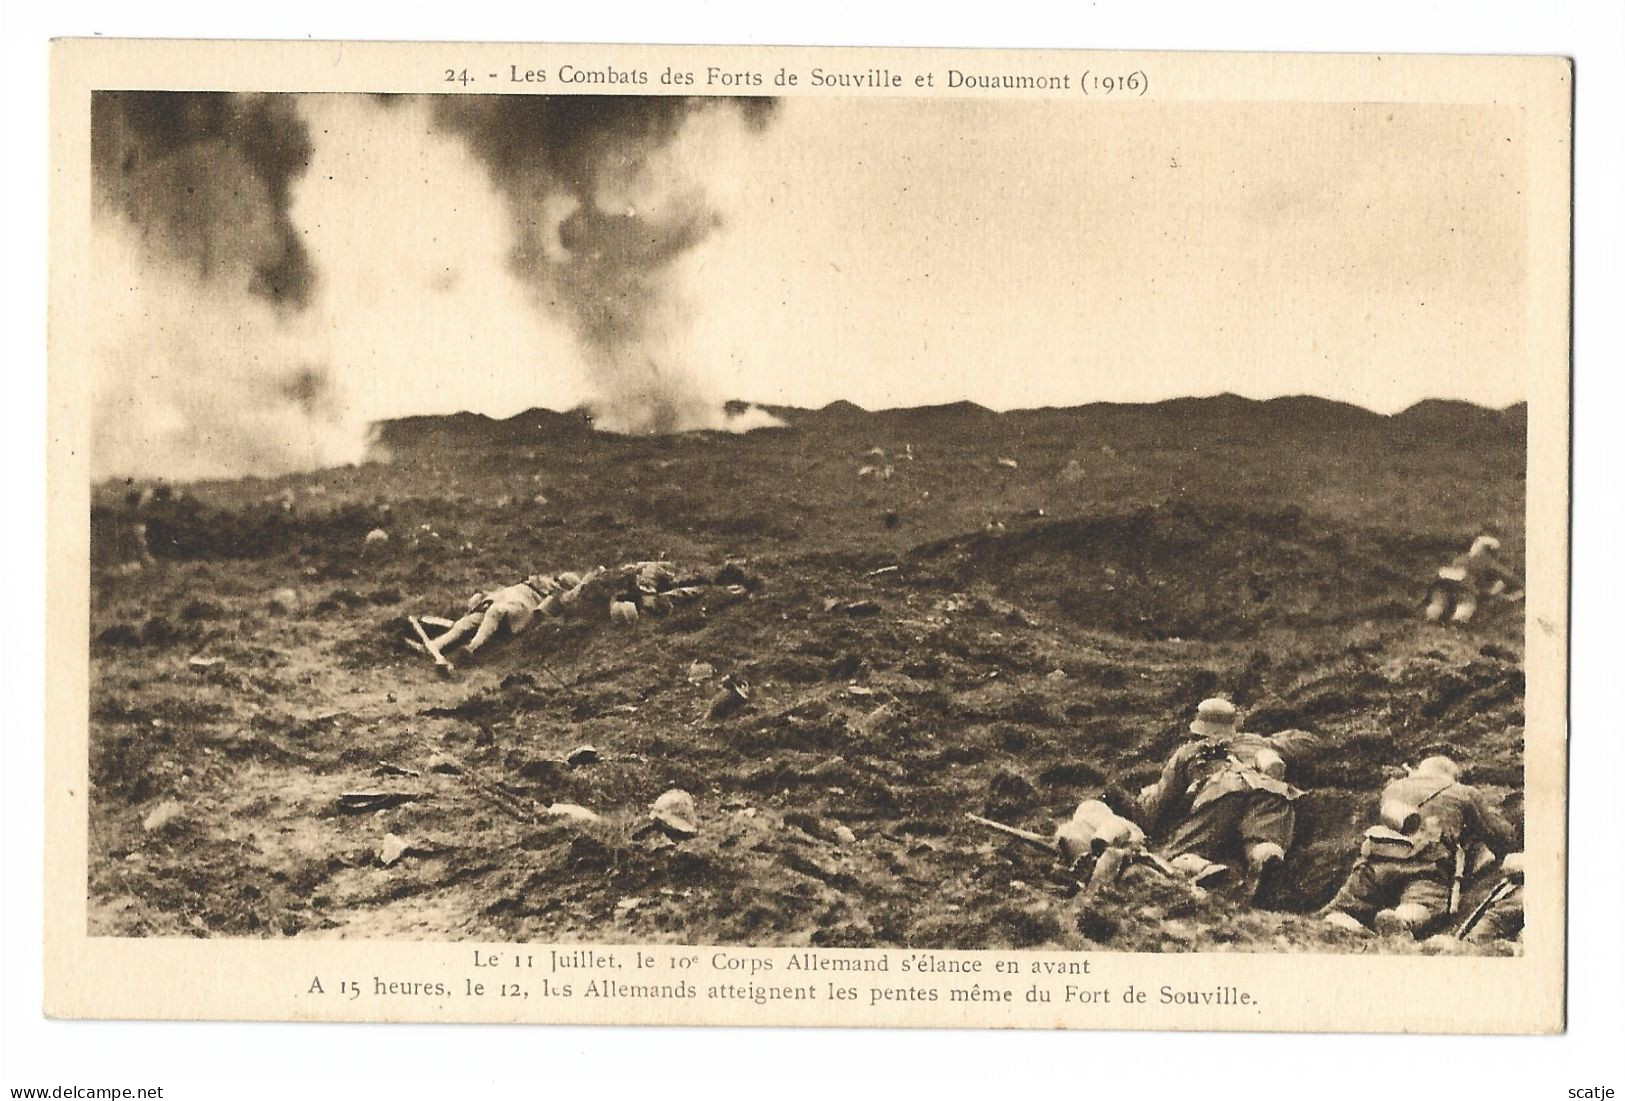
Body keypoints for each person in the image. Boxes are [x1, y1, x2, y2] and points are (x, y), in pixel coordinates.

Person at [1138, 698, 1319, 902]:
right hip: (1272, 791)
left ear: (1201, 728)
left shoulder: (1187, 753)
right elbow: (1307, 744)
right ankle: (1263, 856)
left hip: (1222, 793)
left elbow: (1158, 806)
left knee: (1173, 856)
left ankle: (1208, 869)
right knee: (1261, 841)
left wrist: (1144, 800)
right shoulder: (1256, 741)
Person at [1322, 755, 1518, 938]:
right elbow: (1501, 835)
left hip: (1375, 861)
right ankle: (1403, 920)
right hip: (1425, 865)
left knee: (1349, 902)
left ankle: (1344, 922)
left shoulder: (1393, 788)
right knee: (1423, 902)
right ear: (1453, 775)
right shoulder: (1462, 792)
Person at [424, 567, 608, 661]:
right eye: (557, 579)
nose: (555, 582)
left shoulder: (553, 596)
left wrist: (591, 577)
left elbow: (572, 595)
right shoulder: (535, 581)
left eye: (560, 582)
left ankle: (472, 648)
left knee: (495, 612)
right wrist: (485, 595)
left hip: (519, 607)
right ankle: (436, 645)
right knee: (467, 621)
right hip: (505, 597)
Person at [1052, 798, 1154, 900]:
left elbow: (1101, 840)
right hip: (1119, 858)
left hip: (1113, 856)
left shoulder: (1111, 821)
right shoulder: (1117, 822)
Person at [1424, 534, 1523, 624]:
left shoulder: (1460, 558)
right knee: (1466, 603)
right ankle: (1457, 620)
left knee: (1440, 599)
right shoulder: (1489, 563)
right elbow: (1510, 577)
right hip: (1464, 585)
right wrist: (1520, 587)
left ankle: (1434, 614)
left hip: (1444, 581)